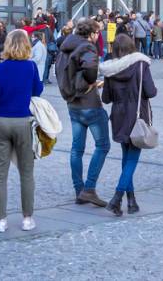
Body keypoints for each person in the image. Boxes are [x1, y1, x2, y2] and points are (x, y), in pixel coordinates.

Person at [0, 29, 42, 232]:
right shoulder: (31, 67)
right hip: (23, 121)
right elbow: (38, 90)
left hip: (1, 120)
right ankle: (27, 218)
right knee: (26, 172)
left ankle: (1, 220)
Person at [99, 34, 156, 216]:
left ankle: (131, 201)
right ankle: (117, 198)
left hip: (119, 116)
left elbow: (106, 98)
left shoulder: (111, 69)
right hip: (137, 116)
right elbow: (151, 91)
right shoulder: (141, 64)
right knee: (132, 159)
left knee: (126, 157)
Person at [55, 19, 109, 207]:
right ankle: (89, 189)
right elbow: (90, 68)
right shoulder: (87, 47)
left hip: (73, 104)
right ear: (92, 33)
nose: (98, 36)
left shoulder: (65, 46)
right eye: (98, 33)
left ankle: (79, 190)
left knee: (77, 149)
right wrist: (91, 81)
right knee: (103, 145)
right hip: (89, 103)